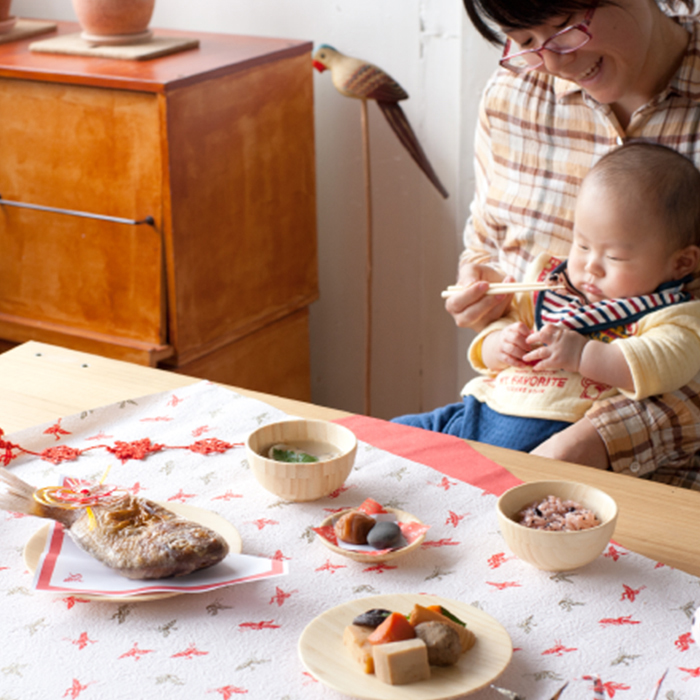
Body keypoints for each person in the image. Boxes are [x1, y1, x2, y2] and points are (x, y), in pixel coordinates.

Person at [445, 0, 700, 485]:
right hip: (501, 411)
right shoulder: (513, 94)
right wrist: (482, 291)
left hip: (673, 477)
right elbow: (488, 248)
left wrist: (598, 440)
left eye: (564, 29)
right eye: (523, 41)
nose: (553, 63)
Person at [395, 142, 700, 453]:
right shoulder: (551, 284)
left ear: (682, 263)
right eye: (581, 245)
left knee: (469, 470)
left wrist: (582, 356)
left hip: (550, 429)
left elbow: (663, 364)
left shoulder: (672, 315)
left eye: (615, 256)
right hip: (478, 408)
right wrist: (500, 344)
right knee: (389, 435)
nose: (590, 265)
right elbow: (496, 337)